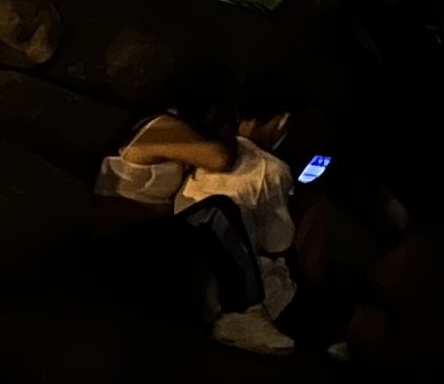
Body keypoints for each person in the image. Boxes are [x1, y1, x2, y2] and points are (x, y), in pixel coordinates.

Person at [98, 83, 300, 354]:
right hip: (122, 243)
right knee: (217, 211)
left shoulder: (180, 140)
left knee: (215, 227)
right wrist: (230, 135)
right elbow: (219, 158)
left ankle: (234, 310)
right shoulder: (161, 125)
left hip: (145, 239)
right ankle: (242, 312)